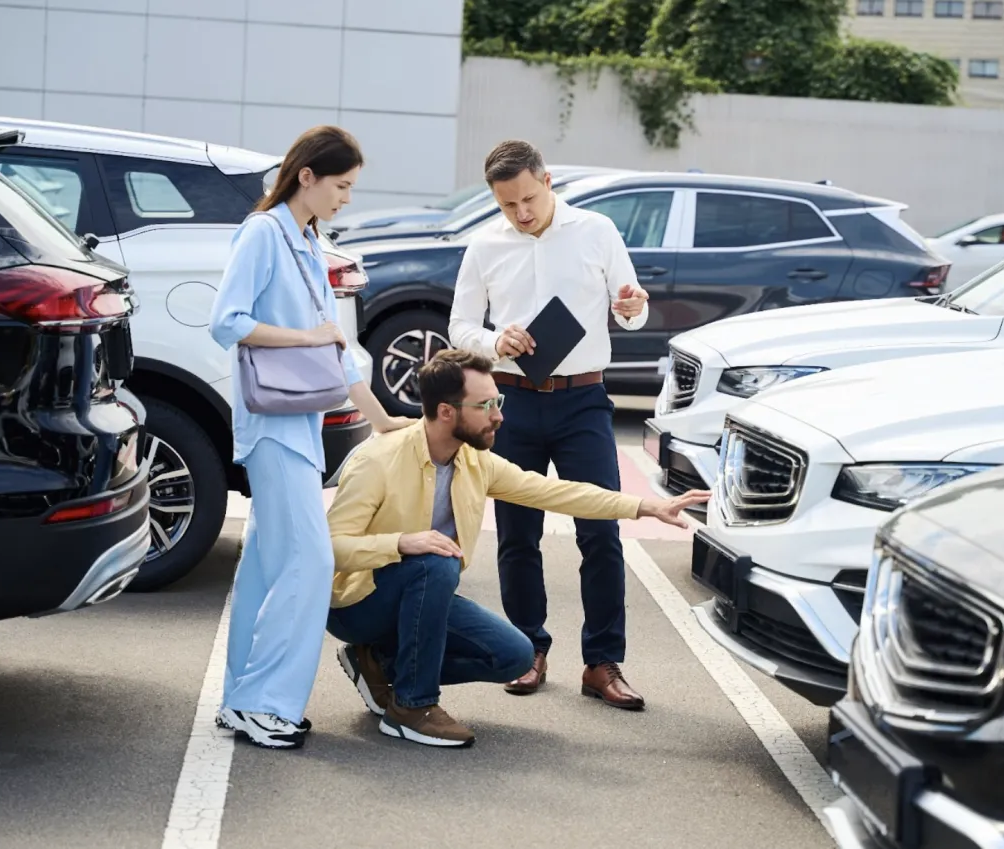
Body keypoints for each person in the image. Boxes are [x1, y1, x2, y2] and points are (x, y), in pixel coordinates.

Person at [326, 350, 708, 747]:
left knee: (514, 656)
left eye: (498, 401)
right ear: (445, 411)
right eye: (485, 405)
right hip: (358, 605)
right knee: (435, 562)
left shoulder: (475, 460)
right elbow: (329, 547)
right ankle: (412, 706)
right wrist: (402, 543)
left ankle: (375, 662)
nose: (498, 415)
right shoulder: (379, 459)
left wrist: (645, 506)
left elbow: (552, 491)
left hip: (421, 589)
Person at [208, 125, 413, 750]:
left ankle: (241, 699)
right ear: (307, 177)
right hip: (272, 425)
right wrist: (305, 338)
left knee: (270, 566)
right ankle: (264, 703)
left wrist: (382, 420)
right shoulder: (264, 232)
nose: (347, 197)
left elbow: (339, 351)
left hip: (297, 424)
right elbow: (228, 322)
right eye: (342, 185)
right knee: (310, 559)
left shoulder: (305, 237)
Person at [448, 140, 655, 710]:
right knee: (517, 536)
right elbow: (460, 324)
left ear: (547, 179)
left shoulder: (597, 230)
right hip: (510, 402)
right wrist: (494, 341)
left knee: (602, 531)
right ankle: (527, 651)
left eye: (529, 198)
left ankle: (603, 663)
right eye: (507, 204)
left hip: (583, 401)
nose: (520, 213)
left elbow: (630, 310)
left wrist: (633, 308)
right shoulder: (484, 244)